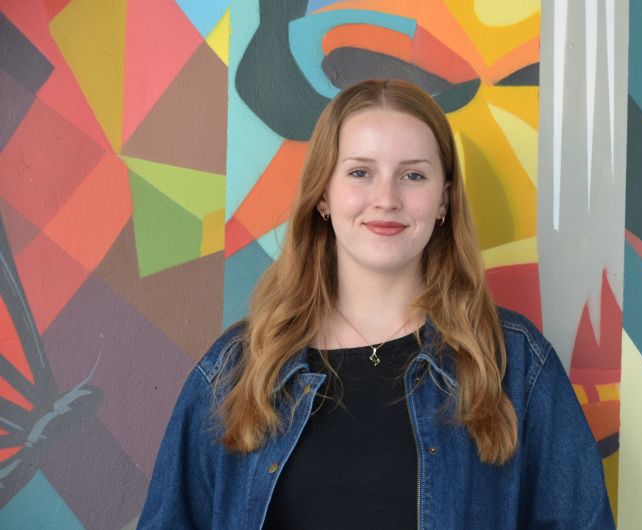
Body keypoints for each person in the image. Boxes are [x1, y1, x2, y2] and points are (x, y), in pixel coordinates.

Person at [138, 79, 614, 529]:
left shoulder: (513, 365)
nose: (385, 199)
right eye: (360, 172)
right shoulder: (237, 370)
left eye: (413, 175)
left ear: (444, 200)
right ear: (323, 194)